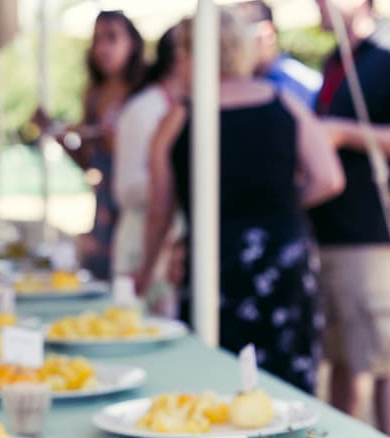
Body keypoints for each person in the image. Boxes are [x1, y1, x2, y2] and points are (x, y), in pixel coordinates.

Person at [137, 9, 344, 394]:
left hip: (214, 257)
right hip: (282, 253)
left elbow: (159, 211)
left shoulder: (179, 118)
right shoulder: (284, 103)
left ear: (190, 52)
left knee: (214, 376)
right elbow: (328, 179)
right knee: (286, 382)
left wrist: (145, 272)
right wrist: (279, 206)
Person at [309, 0, 390, 433]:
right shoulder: (337, 62)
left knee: (379, 362)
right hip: (334, 234)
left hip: (371, 236)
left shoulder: (385, 56)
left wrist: (342, 133)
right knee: (343, 358)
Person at [34, 11, 145, 280]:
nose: (103, 48)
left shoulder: (143, 91)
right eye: (97, 39)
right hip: (103, 209)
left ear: (131, 42)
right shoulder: (93, 95)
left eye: (112, 38)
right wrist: (60, 138)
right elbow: (88, 163)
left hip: (137, 210)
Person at [112, 26, 185, 298]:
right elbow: (127, 188)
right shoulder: (142, 110)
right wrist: (176, 183)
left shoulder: (189, 107)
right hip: (141, 243)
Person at [238, 1, 322, 107]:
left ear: (267, 33)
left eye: (239, 37)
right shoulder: (239, 83)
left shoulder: (303, 84)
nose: (234, 46)